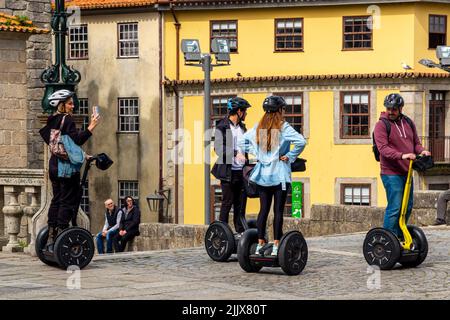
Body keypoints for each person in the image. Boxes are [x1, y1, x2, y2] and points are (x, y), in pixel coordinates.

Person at [238, 96, 306, 256]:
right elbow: (301, 141)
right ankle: (276, 245)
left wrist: (257, 153)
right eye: (284, 109)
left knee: (263, 210)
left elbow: (242, 142)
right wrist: (289, 156)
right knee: (278, 212)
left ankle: (261, 244)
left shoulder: (259, 126)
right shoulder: (283, 127)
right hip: (279, 176)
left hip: (263, 176)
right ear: (280, 110)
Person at [39, 89, 100, 251]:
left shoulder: (52, 119)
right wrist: (92, 125)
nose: (73, 106)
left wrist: (82, 155)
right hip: (65, 169)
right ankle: (60, 234)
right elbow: (77, 140)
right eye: (70, 103)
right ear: (61, 105)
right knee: (67, 201)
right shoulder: (67, 120)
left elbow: (64, 144)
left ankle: (51, 236)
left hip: (54, 165)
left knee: (56, 200)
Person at [373, 93, 431, 238]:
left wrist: (422, 151)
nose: (390, 112)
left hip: (407, 172)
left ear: (400, 108)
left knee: (407, 207)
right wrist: (402, 155)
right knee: (395, 207)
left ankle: (398, 236)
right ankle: (388, 240)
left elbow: (415, 143)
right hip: (391, 173)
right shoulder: (381, 125)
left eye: (394, 109)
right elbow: (383, 149)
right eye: (388, 108)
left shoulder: (408, 122)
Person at [211, 97, 251, 233]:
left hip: (241, 172)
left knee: (240, 205)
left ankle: (241, 235)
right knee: (227, 203)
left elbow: (246, 146)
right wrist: (235, 153)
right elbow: (218, 148)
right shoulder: (222, 126)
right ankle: (222, 234)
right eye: (245, 111)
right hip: (228, 172)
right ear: (239, 111)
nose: (246, 114)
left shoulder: (242, 128)